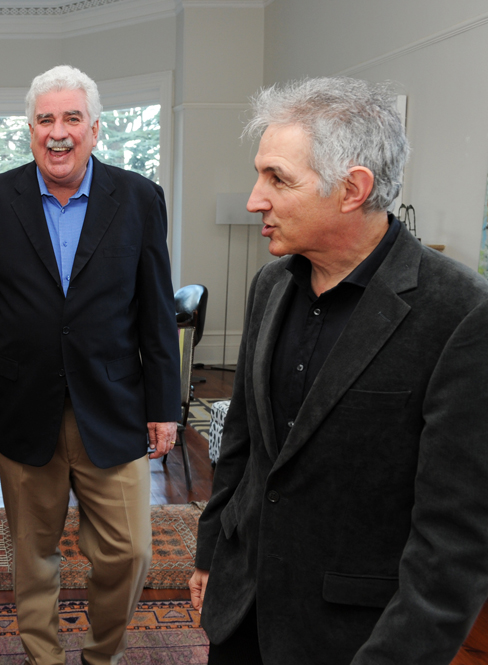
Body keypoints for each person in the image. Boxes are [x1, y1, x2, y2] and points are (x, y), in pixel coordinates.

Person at [189, 77, 488, 664]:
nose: (255, 199)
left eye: (278, 178)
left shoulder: (461, 313)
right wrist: (211, 554)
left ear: (352, 189)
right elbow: (244, 449)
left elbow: (453, 543)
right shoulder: (271, 285)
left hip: (354, 639)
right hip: (241, 614)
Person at [0, 65, 180, 665]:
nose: (59, 132)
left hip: (114, 404)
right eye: (46, 119)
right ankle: (45, 657)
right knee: (33, 553)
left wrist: (164, 406)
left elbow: (157, 309)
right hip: (20, 405)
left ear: (95, 130)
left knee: (129, 552)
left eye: (72, 119)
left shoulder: (138, 198)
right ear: (29, 129)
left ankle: (100, 655)